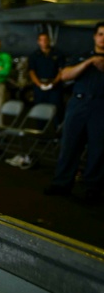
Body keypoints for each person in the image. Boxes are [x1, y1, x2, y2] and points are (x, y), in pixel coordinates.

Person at [44, 23, 104, 203]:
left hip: (101, 105)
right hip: (78, 103)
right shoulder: (83, 56)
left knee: (98, 149)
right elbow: (65, 75)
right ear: (94, 36)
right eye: (100, 34)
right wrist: (89, 62)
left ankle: (92, 188)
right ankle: (62, 183)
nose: (103, 38)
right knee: (69, 144)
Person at [27, 32, 65, 118]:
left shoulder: (58, 54)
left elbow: (61, 70)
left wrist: (54, 83)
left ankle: (57, 129)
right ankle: (40, 129)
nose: (44, 42)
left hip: (55, 86)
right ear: (38, 42)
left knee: (57, 110)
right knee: (40, 110)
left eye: (46, 40)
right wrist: (39, 84)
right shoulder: (34, 55)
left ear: (49, 41)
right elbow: (31, 71)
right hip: (40, 86)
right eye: (41, 40)